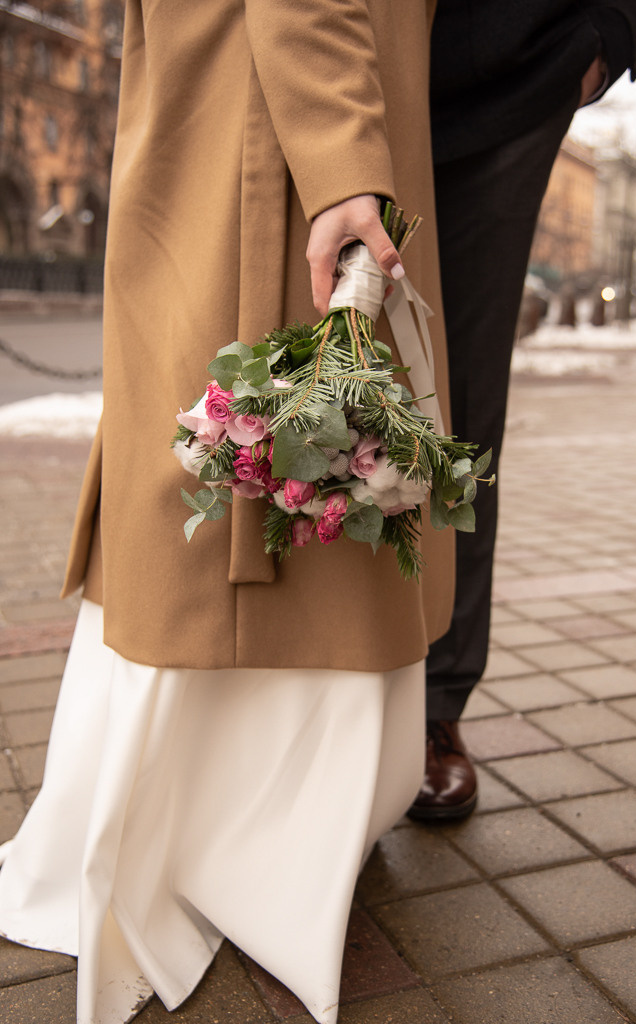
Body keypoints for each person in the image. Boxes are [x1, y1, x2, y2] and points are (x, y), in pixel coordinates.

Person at [0, 3, 455, 1024]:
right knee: (278, 437)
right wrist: (341, 151)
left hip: (261, 91)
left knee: (260, 437)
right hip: (287, 105)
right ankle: (248, 845)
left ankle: (236, 826)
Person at [409, 0, 636, 822]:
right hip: (358, 55)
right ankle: (317, 686)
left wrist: (609, 32)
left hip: (517, 67)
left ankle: (438, 706)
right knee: (318, 377)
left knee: (463, 409)